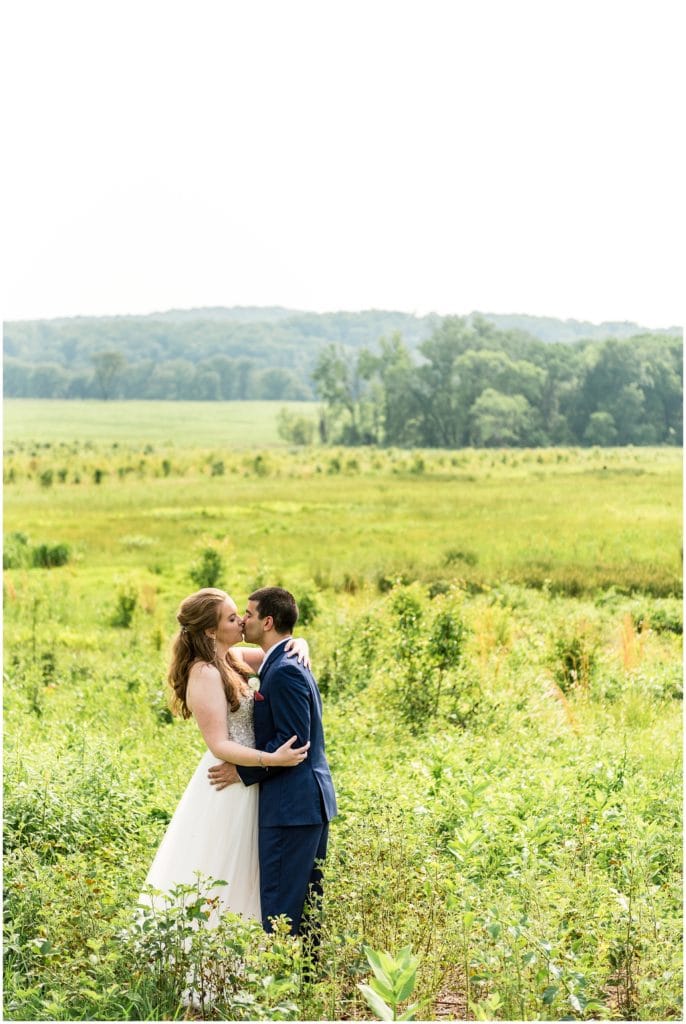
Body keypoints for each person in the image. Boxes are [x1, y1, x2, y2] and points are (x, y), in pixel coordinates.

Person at [141, 587, 310, 920]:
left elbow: (278, 654)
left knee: (252, 868)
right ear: (210, 630)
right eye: (232, 618)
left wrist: (300, 642)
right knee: (223, 862)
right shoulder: (203, 672)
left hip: (252, 776)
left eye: (241, 615)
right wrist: (271, 759)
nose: (242, 623)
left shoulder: (231, 658)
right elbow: (218, 744)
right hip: (230, 780)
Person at [208, 587, 337, 936]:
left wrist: (241, 770)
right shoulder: (280, 661)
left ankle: (285, 986)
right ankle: (303, 984)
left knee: (282, 907)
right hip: (302, 805)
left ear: (267, 621)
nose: (243, 620)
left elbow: (294, 745)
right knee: (304, 905)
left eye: (248, 614)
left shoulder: (285, 670)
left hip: (291, 806)